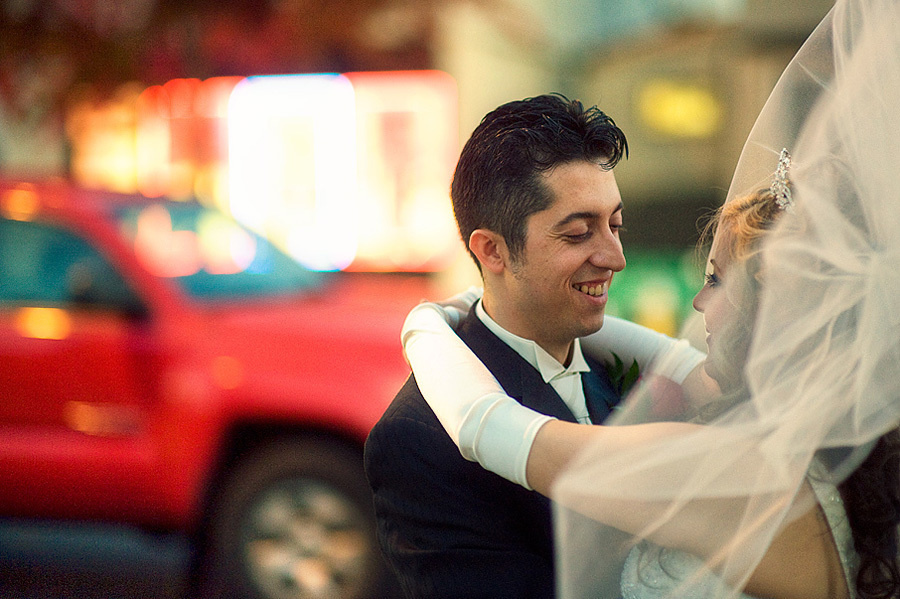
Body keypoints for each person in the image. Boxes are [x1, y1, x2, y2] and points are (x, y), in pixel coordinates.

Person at [397, 0, 900, 596]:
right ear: (493, 250)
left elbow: (490, 428)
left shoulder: (721, 472)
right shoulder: (839, 452)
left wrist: (425, 325)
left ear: (776, 314)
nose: (699, 305)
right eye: (578, 232)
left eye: (717, 282)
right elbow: (683, 364)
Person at [363, 93, 707, 599]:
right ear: (493, 250)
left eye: (615, 225)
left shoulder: (629, 374)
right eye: (579, 233)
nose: (615, 257)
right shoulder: (417, 441)